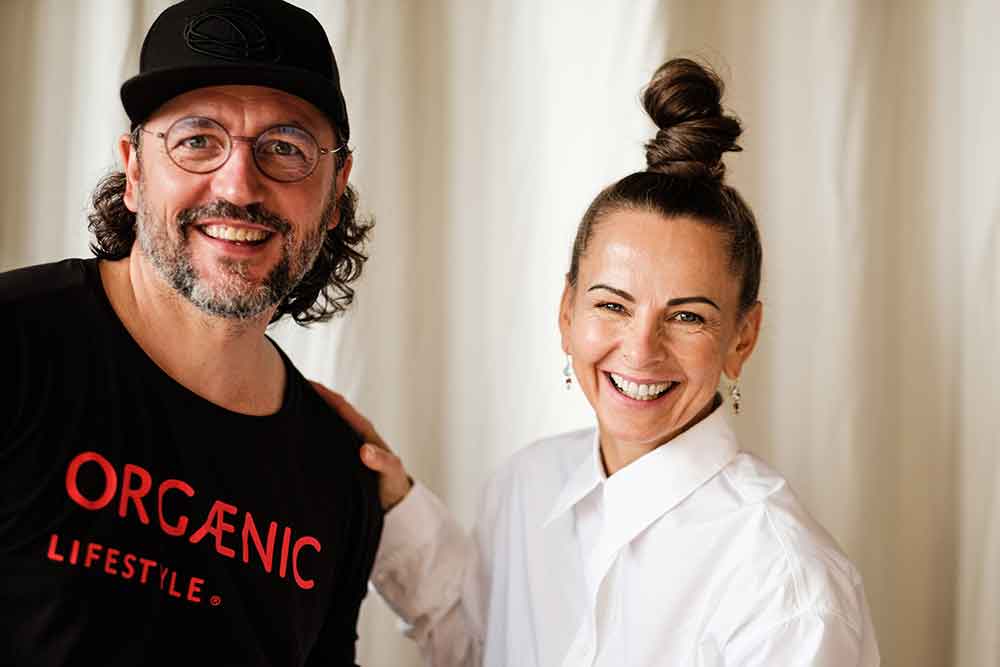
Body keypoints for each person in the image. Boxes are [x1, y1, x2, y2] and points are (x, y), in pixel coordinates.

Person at [319, 59, 881, 666]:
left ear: (743, 338)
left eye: (687, 316)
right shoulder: (525, 486)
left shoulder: (789, 592)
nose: (641, 349)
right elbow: (480, 647)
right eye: (613, 305)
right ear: (567, 313)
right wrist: (392, 500)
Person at [0, 1, 382, 665]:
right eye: (197, 140)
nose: (239, 185)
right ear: (135, 169)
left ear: (335, 189)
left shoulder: (339, 474)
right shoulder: (14, 347)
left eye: (285, 148)